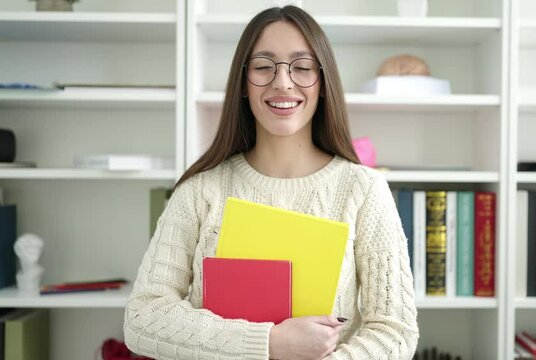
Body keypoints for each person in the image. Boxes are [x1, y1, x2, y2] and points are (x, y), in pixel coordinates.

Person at [123, 5, 419, 360]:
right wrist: (268, 343)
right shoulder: (200, 191)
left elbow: (395, 330)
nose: (282, 82)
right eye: (264, 66)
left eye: (303, 67)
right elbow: (142, 318)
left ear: (323, 83)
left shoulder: (364, 190)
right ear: (243, 84)